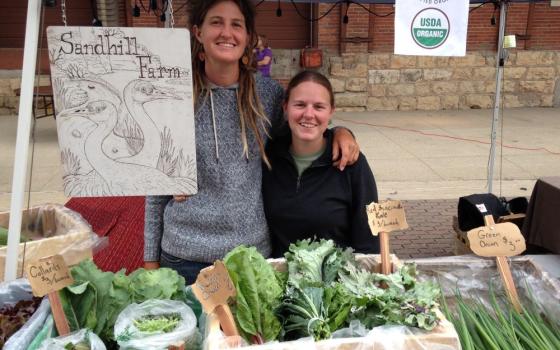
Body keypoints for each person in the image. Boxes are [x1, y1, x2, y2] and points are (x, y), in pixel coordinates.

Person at [143, 0, 360, 284]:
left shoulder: (267, 94)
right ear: (197, 32)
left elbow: (301, 131)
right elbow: (156, 188)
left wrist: (340, 131)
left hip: (251, 255)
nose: (226, 32)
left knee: (251, 331)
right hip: (185, 256)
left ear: (247, 37)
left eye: (236, 25)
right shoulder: (173, 96)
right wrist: (150, 261)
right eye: (216, 22)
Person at [262, 71, 379, 258]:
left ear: (331, 111)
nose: (309, 114)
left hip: (337, 281)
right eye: (300, 105)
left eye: (319, 107)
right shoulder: (267, 158)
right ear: (285, 107)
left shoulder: (351, 163)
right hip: (279, 280)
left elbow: (369, 242)